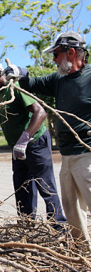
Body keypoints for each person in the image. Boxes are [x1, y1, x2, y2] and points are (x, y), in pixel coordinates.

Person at [8, 31, 91, 247]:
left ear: (71, 53)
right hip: (67, 155)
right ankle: (82, 252)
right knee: (72, 210)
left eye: (56, 54)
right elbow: (32, 84)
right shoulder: (58, 80)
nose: (53, 60)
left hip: (87, 153)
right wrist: (20, 72)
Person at [0, 62, 67, 228]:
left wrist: (24, 139)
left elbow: (40, 112)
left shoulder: (15, 87)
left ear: (0, 73)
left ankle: (58, 226)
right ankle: (26, 225)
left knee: (45, 185)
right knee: (22, 187)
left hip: (34, 143)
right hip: (18, 147)